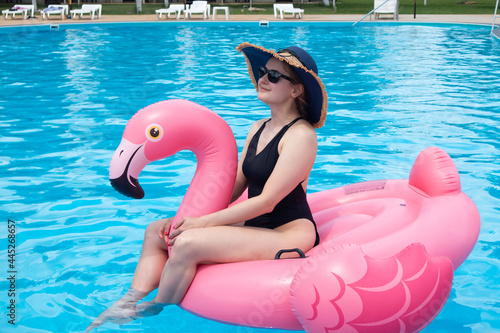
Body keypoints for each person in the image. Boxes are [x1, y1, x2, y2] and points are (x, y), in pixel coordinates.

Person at [86, 42, 328, 331]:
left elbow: (267, 202)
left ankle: (153, 312)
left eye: (274, 76)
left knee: (187, 243)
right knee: (156, 231)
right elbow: (237, 184)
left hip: (286, 232)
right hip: (255, 225)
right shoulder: (259, 127)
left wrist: (201, 224)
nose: (263, 79)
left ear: (296, 90)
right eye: (263, 72)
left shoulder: (302, 136)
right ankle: (127, 301)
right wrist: (186, 217)